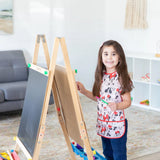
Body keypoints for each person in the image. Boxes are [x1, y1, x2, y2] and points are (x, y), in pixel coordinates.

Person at [76, 40, 133, 160]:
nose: (109, 58)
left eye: (113, 54)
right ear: (101, 57)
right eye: (106, 54)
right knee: (108, 153)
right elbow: (99, 99)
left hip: (117, 125)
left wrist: (117, 106)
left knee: (119, 155)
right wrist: (85, 91)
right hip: (104, 124)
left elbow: (128, 102)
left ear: (119, 57)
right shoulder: (101, 76)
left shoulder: (122, 78)